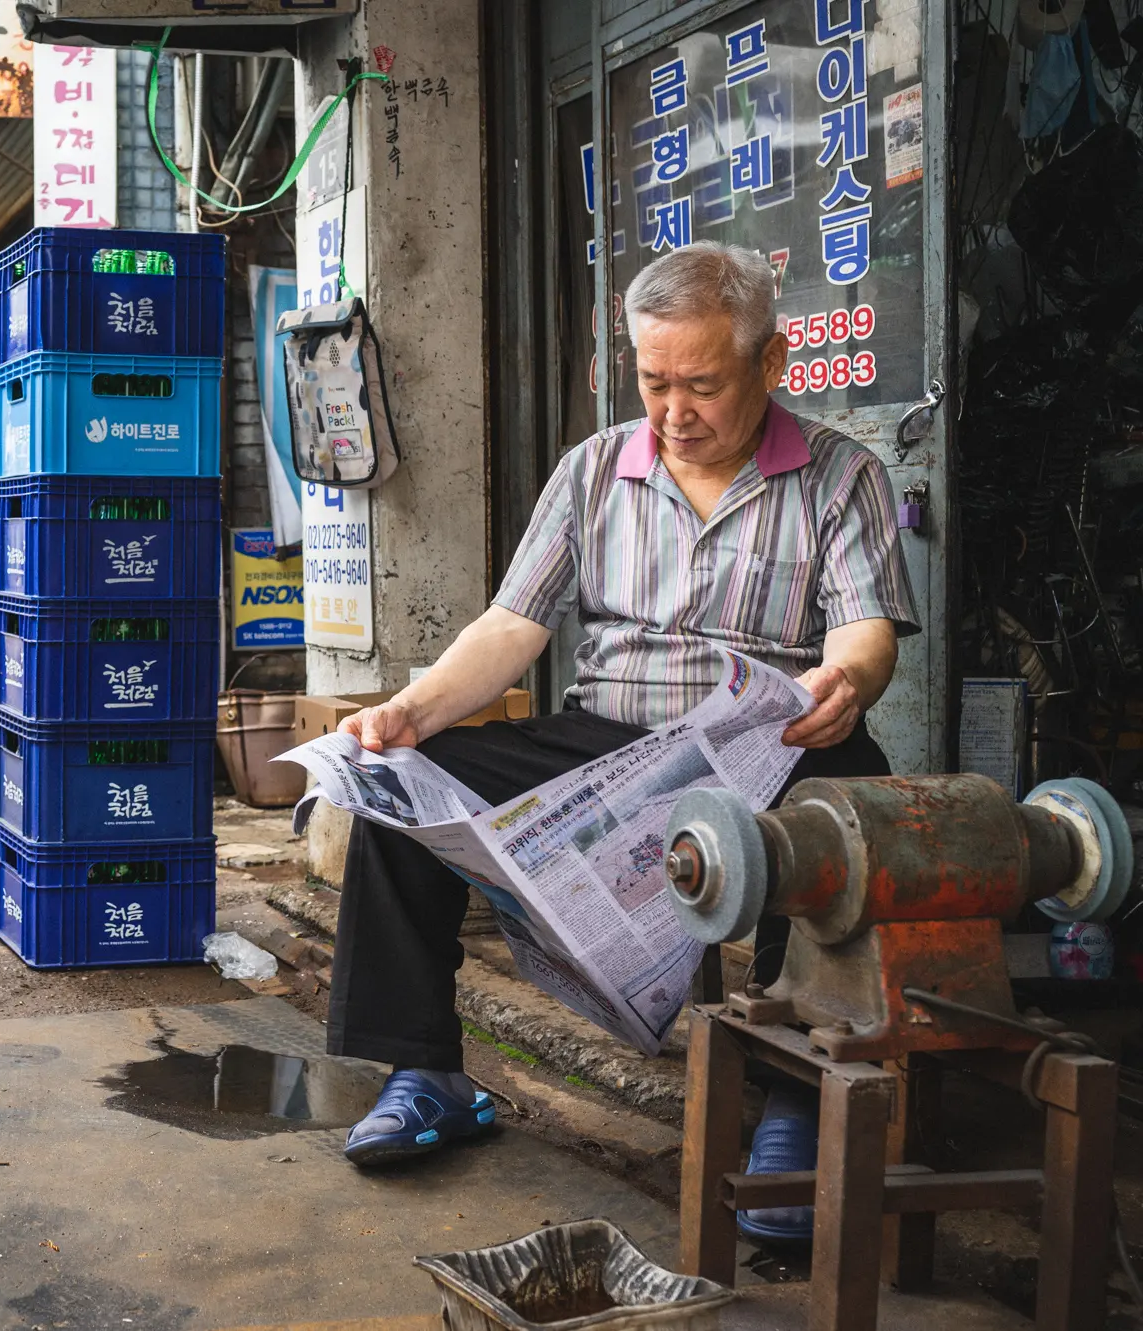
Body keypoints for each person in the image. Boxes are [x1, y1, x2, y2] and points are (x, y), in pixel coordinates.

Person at [329, 244, 916, 1241]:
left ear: (769, 365)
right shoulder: (594, 469)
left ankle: (792, 1096)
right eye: (652, 383)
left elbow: (862, 628)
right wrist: (412, 711)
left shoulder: (838, 476)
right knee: (396, 781)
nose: (673, 412)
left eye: (702, 384)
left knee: (848, 798)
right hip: (604, 734)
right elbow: (512, 627)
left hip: (760, 739)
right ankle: (422, 1066)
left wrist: (845, 679)